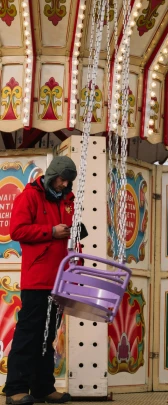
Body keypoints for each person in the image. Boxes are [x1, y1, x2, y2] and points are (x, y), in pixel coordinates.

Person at [3, 156, 84, 405]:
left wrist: (75, 240)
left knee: (48, 336)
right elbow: (16, 231)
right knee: (29, 334)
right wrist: (51, 232)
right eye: (62, 179)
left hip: (60, 278)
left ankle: (42, 387)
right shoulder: (29, 197)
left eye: (68, 181)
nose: (64, 185)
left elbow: (69, 234)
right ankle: (15, 389)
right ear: (52, 175)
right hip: (37, 278)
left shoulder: (68, 201)